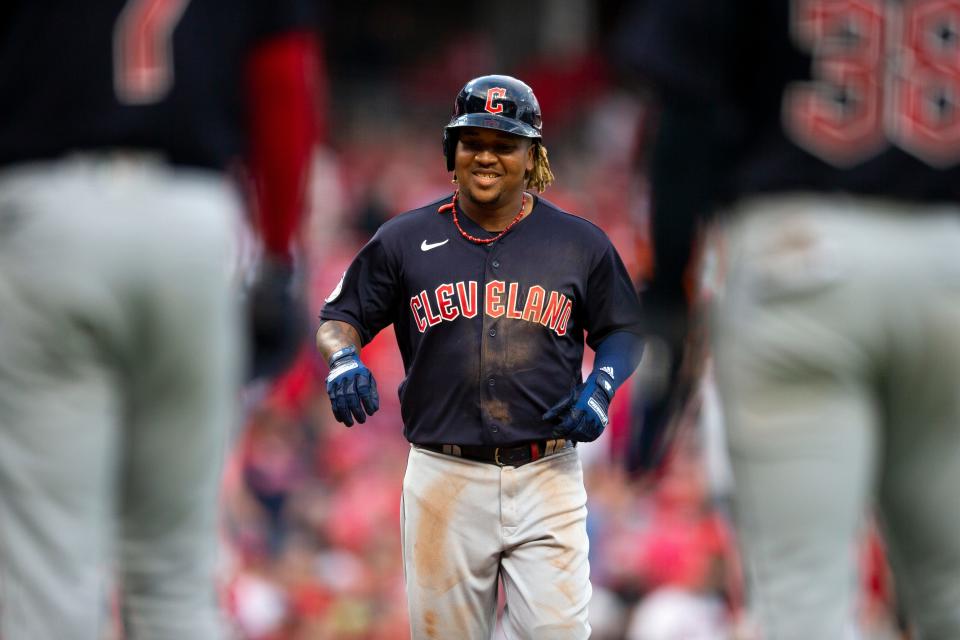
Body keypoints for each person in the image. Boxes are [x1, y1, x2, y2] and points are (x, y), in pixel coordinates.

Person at [618, 0, 960, 638]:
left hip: (797, 251)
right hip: (949, 257)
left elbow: (684, 110)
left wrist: (667, 299)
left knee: (803, 604)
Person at [0, 1, 319, 638]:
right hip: (193, 219)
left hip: (47, 211)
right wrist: (280, 258)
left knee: (49, 566)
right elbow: (286, 80)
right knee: (177, 571)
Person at [316, 74, 644, 639]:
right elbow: (338, 318)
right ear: (452, 150)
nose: (486, 156)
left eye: (504, 144)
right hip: (443, 476)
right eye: (473, 142)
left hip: (547, 471)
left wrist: (604, 385)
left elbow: (625, 331)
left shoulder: (579, 242)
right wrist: (343, 359)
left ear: (531, 156)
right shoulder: (402, 238)